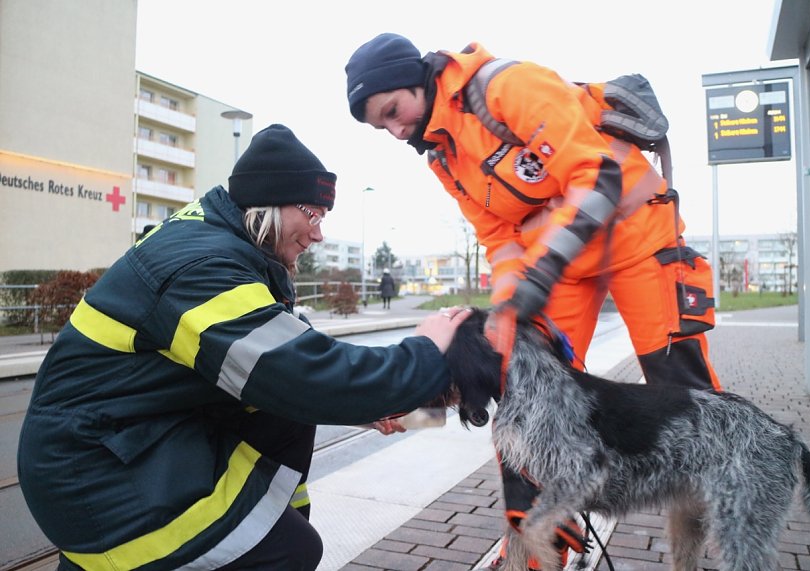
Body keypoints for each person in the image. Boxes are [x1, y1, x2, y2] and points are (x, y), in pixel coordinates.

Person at [17, 123, 471, 571]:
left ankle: (273, 519)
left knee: (286, 497)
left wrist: (373, 407)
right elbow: (294, 371)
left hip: (138, 440)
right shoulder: (201, 265)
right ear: (269, 204)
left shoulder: (230, 249)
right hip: (93, 470)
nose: (318, 234)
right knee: (291, 552)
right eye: (312, 213)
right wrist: (424, 352)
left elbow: (281, 380)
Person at [345, 34, 722, 568]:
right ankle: (534, 549)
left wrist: (540, 274)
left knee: (683, 393)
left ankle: (702, 542)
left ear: (416, 81)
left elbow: (598, 176)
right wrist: (505, 311)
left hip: (636, 235)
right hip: (563, 262)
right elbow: (498, 240)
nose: (395, 129)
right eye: (380, 126)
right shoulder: (443, 158)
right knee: (521, 394)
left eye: (393, 111)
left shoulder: (506, 87)